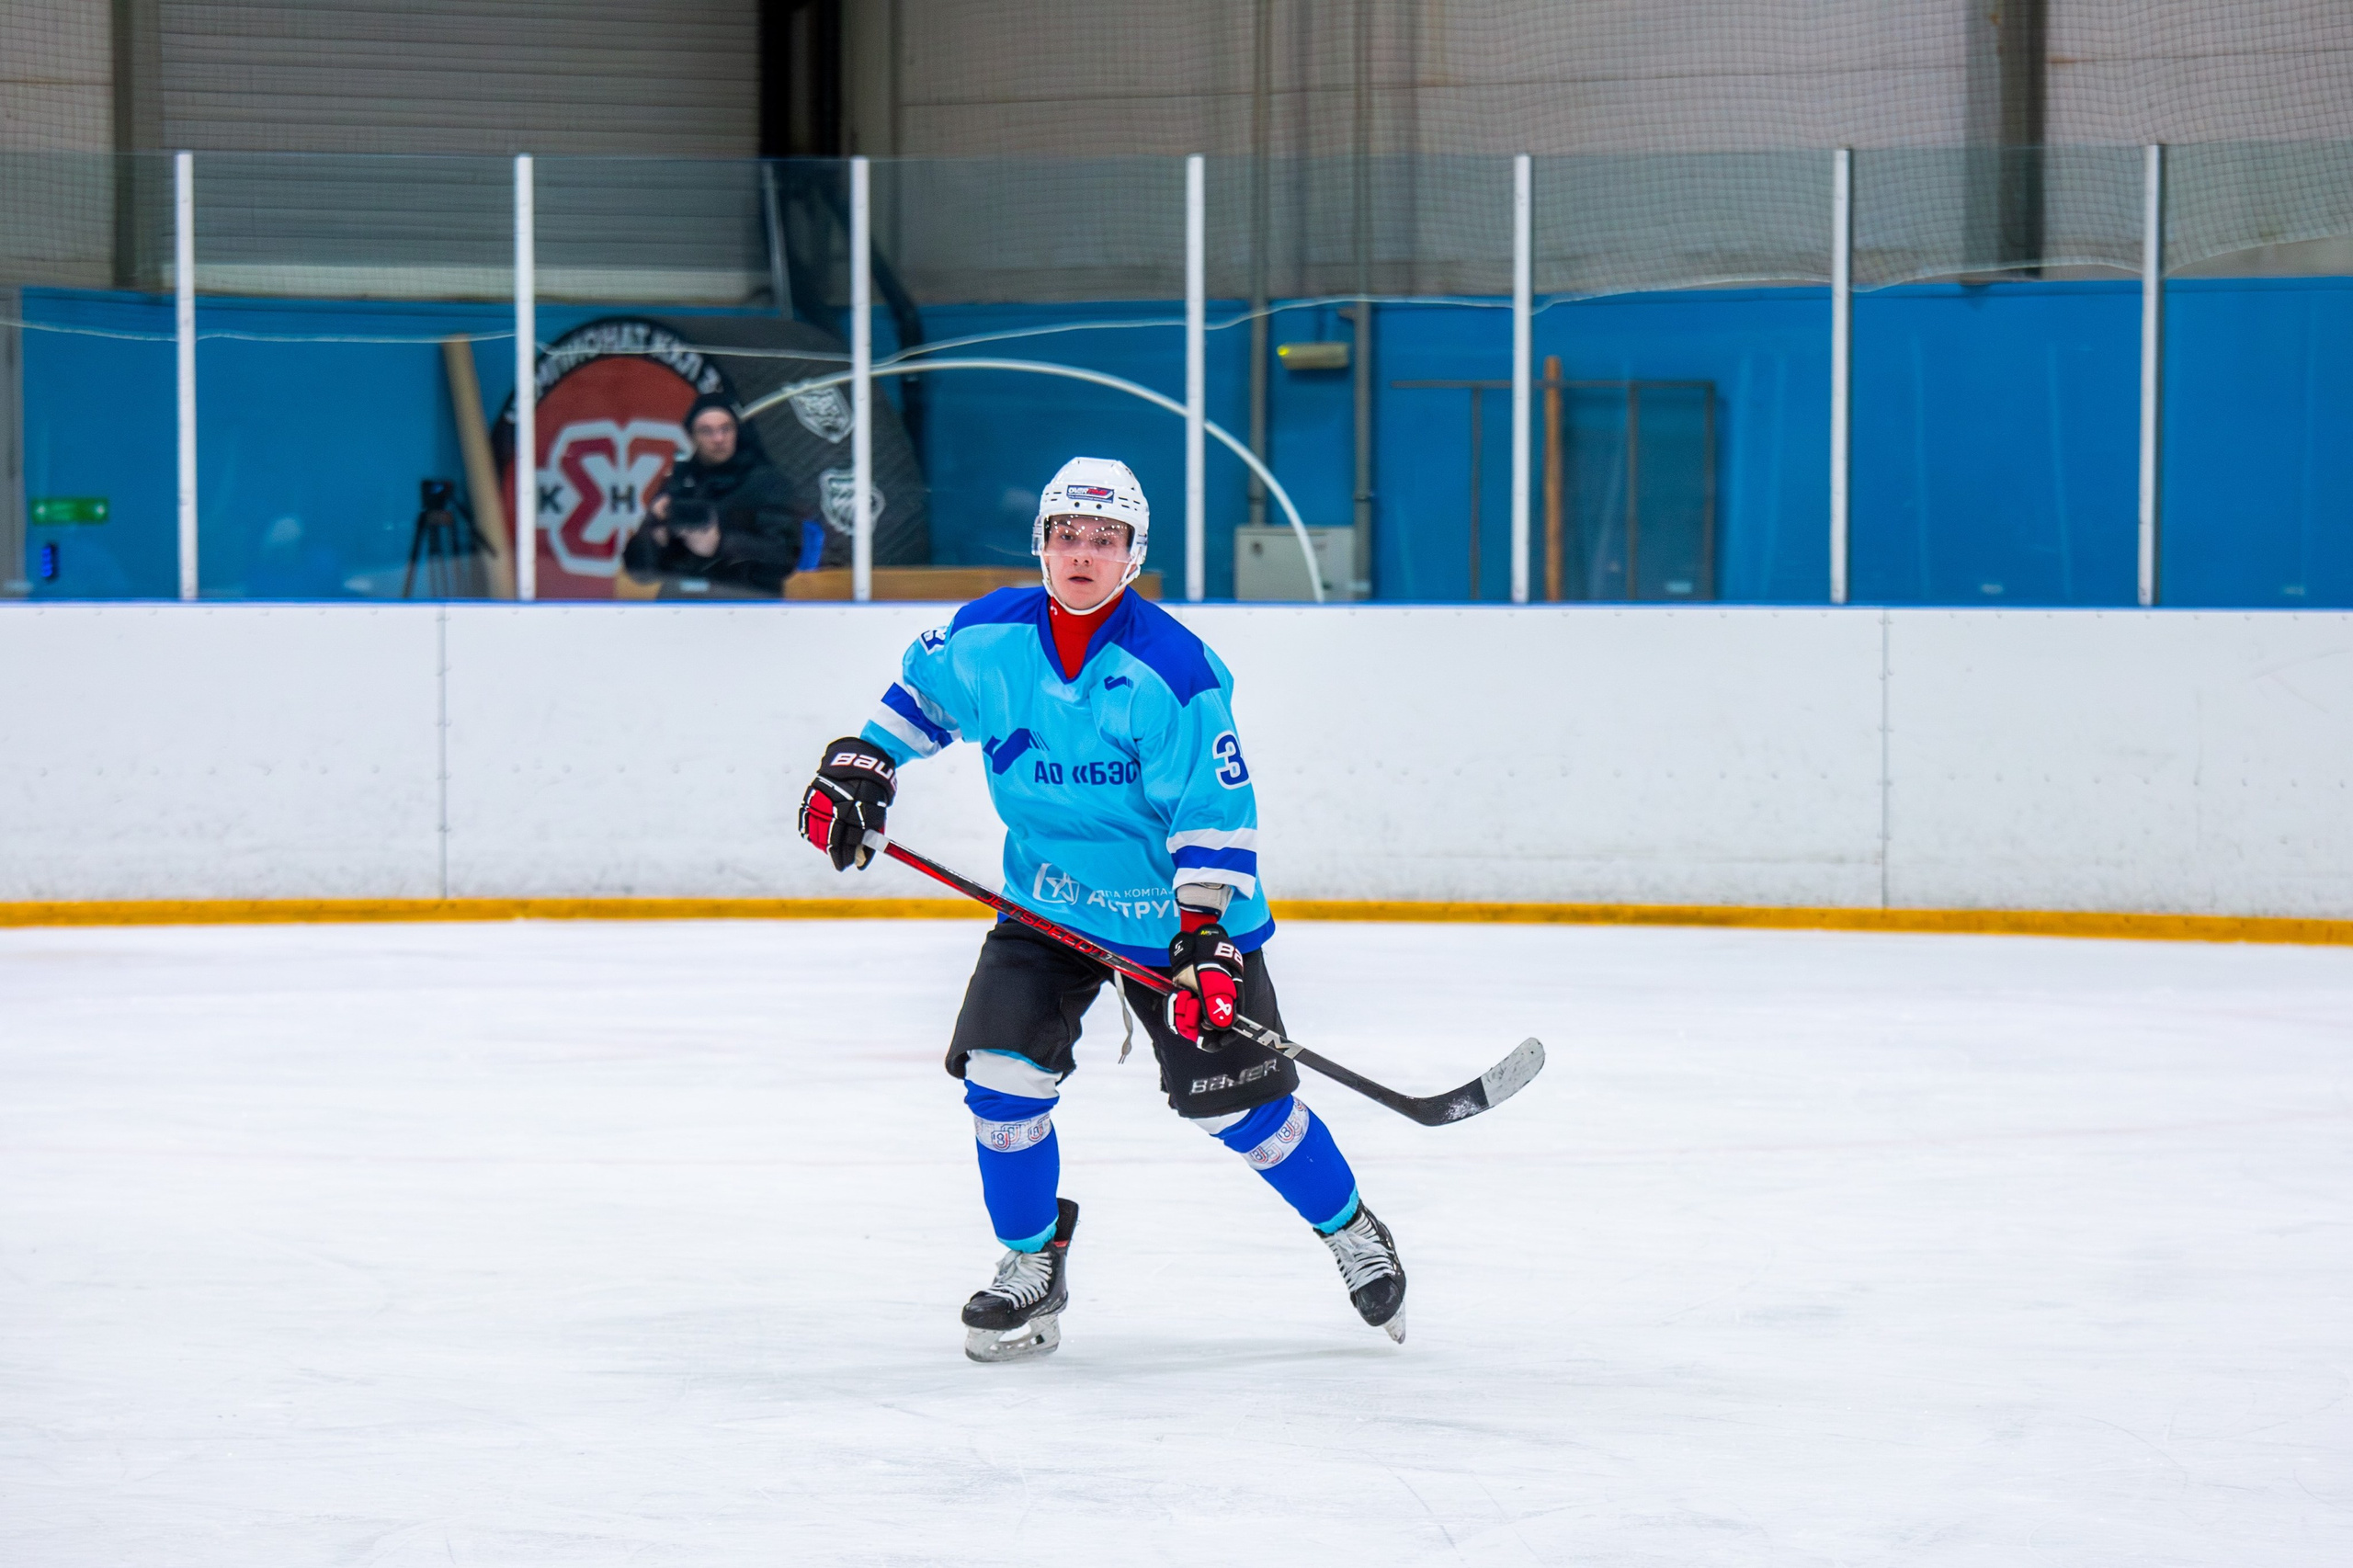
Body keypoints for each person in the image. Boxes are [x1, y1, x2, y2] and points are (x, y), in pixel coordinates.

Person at [795, 456, 1407, 1363]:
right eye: (1067, 535)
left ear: (1133, 555)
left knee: (1244, 1115)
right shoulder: (984, 637)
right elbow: (919, 703)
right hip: (1049, 905)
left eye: (1105, 539)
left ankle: (1350, 1227)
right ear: (1040, 542)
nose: (1083, 554)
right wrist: (863, 765)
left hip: (1177, 921)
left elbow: (1212, 814)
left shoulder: (1173, 668)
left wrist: (1204, 938)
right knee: (1000, 1087)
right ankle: (1031, 1260)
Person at [622, 392, 815, 596]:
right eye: (706, 431)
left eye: (726, 429)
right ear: (692, 436)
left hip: (747, 607)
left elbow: (785, 556)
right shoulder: (679, 484)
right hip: (682, 608)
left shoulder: (768, 483)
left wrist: (721, 543)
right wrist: (654, 535)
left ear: (737, 432)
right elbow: (640, 574)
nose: (718, 439)